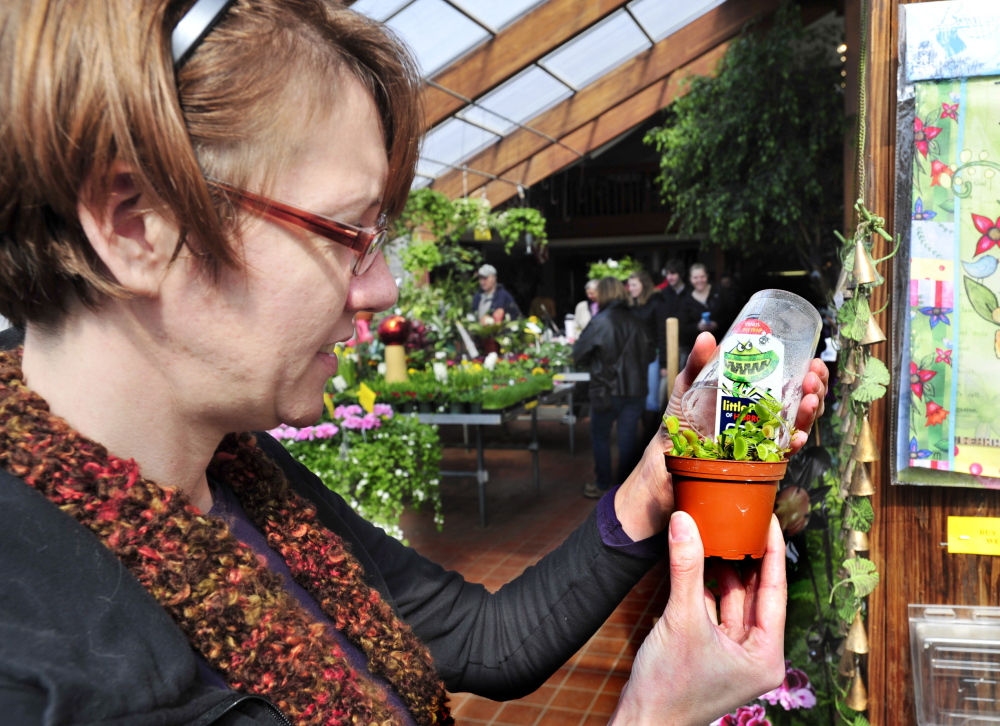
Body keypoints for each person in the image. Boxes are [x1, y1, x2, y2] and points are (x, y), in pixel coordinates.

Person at [0, 2, 829, 724]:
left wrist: (657, 472)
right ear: (136, 222)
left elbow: (484, 639)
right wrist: (655, 713)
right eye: (349, 234)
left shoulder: (235, 476)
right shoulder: (47, 676)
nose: (384, 288)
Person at [573, 277, 654, 499]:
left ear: (603, 294)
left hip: (606, 389)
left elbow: (578, 354)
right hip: (635, 390)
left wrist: (597, 359)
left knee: (600, 436)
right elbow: (650, 355)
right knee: (627, 438)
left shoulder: (600, 321)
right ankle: (625, 489)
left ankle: (602, 485)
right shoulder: (637, 321)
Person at [626, 270, 668, 438]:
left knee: (651, 400)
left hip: (653, 357)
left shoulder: (657, 303)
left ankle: (649, 440)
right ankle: (642, 437)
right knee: (637, 397)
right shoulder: (631, 305)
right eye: (629, 285)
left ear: (644, 285)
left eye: (634, 285)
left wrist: (664, 363)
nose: (630, 288)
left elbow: (663, 334)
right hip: (634, 359)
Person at [679, 262, 735, 355]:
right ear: (690, 279)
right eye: (695, 278)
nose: (699, 280)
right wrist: (697, 327)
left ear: (707, 276)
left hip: (724, 345)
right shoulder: (685, 300)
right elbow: (683, 327)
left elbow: (733, 314)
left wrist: (718, 324)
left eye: (702, 276)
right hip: (698, 351)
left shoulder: (720, 291)